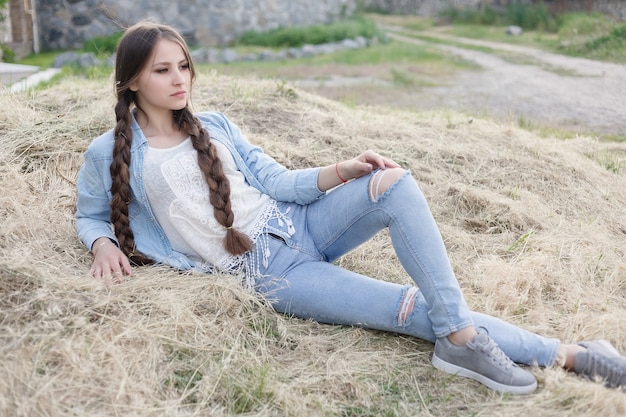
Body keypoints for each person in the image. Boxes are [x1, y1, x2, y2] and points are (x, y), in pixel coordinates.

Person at [75, 20, 626, 395]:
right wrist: (101, 243)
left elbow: (276, 180)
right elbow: (91, 213)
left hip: (299, 222)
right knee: (408, 308)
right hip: (270, 273)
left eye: (184, 66)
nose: (179, 80)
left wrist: (344, 170)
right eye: (162, 70)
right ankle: (573, 355)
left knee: (394, 181)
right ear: (130, 80)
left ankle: (459, 340)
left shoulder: (214, 125)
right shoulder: (110, 152)